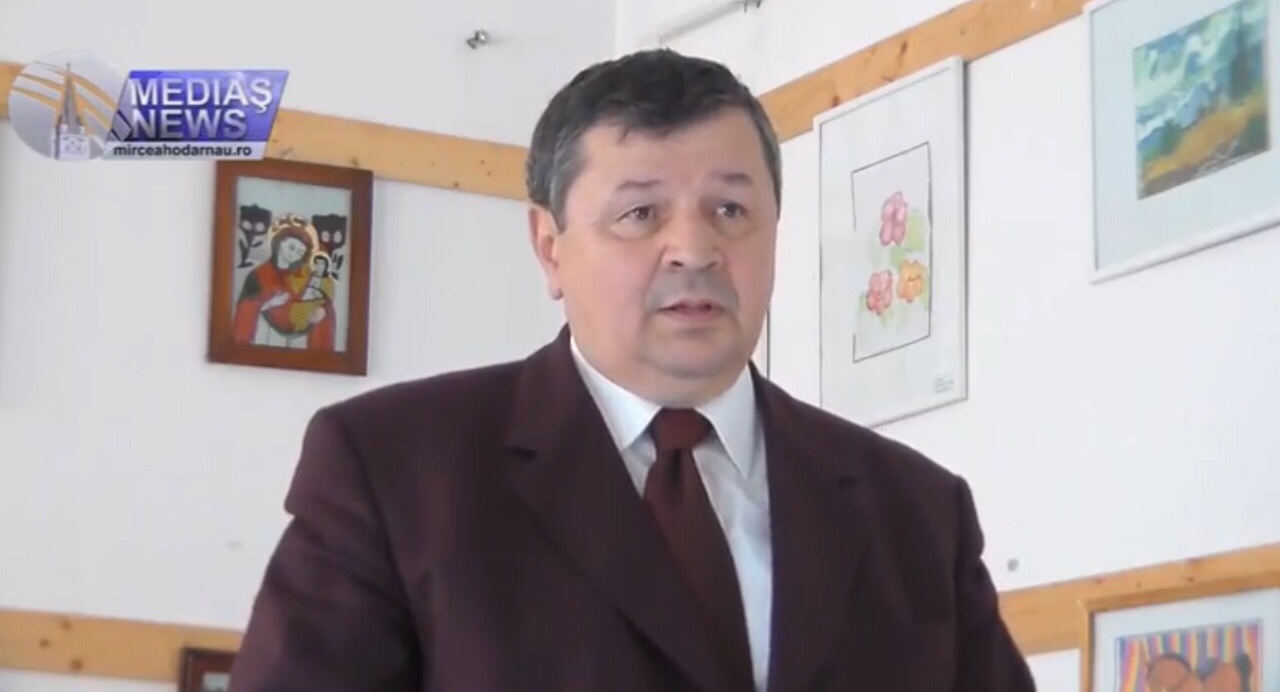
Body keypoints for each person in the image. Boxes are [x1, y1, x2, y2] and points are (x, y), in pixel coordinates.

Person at [228, 49, 1037, 692]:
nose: (694, 249)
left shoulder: (916, 514)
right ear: (551, 248)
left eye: (731, 210)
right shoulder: (397, 471)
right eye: (640, 214)